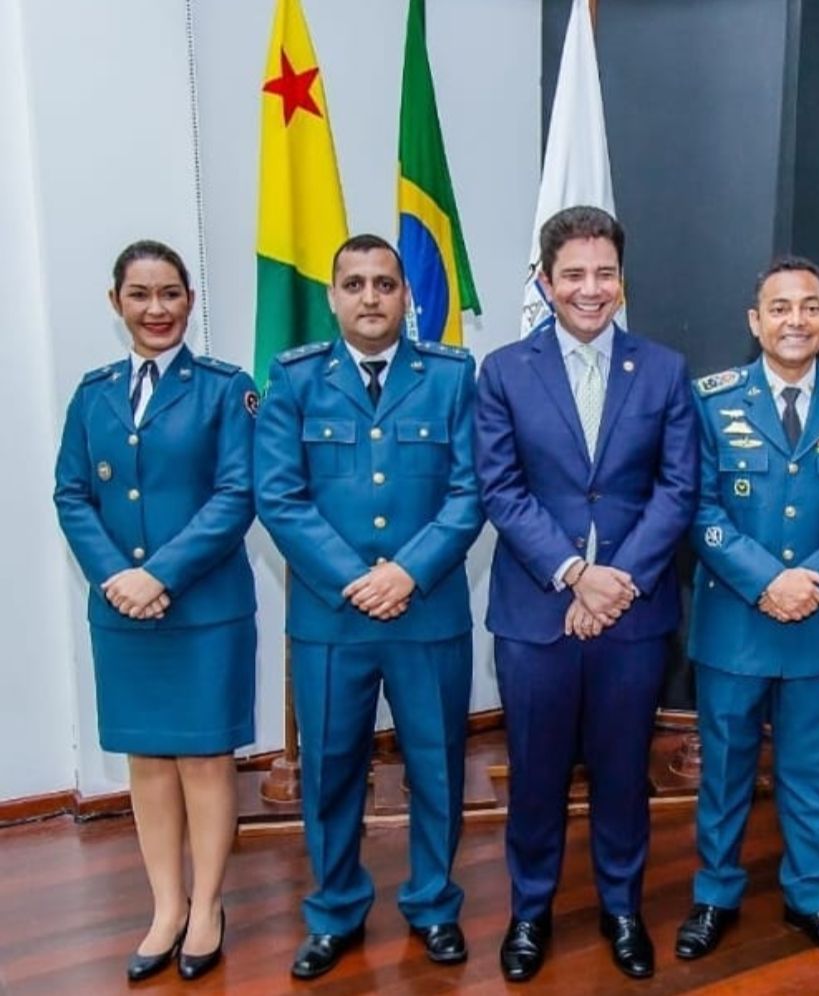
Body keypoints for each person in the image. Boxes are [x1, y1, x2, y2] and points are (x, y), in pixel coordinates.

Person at [475, 205, 699, 982]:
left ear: (621, 280)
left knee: (621, 771)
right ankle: (529, 911)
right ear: (545, 281)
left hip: (633, 614)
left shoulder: (663, 370)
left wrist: (617, 582)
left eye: (604, 273)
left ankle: (622, 909)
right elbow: (501, 490)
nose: (589, 288)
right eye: (572, 274)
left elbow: (677, 489)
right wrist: (575, 574)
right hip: (536, 613)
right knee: (534, 774)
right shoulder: (504, 370)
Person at [254, 233, 483, 981]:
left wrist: (407, 574)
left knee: (438, 766)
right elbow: (278, 496)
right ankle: (335, 910)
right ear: (333, 297)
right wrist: (357, 578)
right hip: (333, 617)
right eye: (354, 284)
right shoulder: (295, 379)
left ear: (405, 295)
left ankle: (434, 904)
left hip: (427, 613)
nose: (371, 297)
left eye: (385, 283)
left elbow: (470, 492)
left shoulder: (451, 376)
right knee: (329, 769)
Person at [53, 240, 258, 982]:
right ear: (117, 304)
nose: (156, 308)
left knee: (203, 758)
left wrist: (159, 574)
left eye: (170, 293)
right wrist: (117, 577)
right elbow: (71, 493)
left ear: (190, 301)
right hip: (123, 612)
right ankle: (167, 907)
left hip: (204, 610)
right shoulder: (94, 394)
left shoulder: (225, 390)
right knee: (147, 758)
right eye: (139, 295)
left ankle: (207, 907)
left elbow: (237, 494)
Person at [677, 257, 819, 966]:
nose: (795, 320)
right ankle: (715, 893)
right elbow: (698, 508)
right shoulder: (710, 401)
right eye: (779, 308)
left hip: (818, 625)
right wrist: (768, 581)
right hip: (735, 623)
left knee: (808, 773)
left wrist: (813, 580)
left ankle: (810, 895)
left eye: (809, 307)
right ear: (755, 321)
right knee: (724, 771)